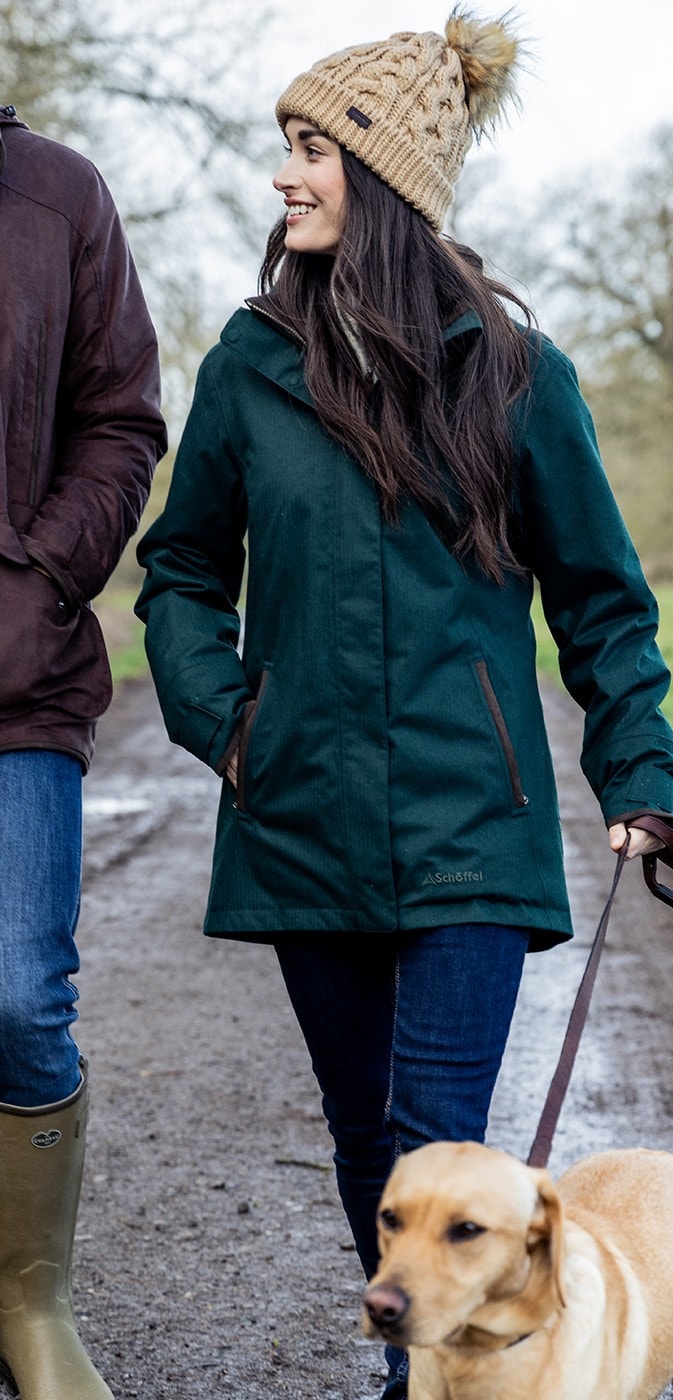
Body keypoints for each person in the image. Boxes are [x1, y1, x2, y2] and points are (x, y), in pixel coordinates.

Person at [134, 12, 673, 1397]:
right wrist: (230, 722)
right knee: (368, 1150)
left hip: (469, 824)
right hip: (300, 812)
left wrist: (637, 778)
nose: (285, 178)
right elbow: (184, 567)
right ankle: (437, 1366)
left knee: (439, 1132)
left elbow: (602, 596)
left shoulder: (513, 373)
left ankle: (426, 1385)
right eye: (286, 149)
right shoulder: (251, 366)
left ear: (385, 179)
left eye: (312, 150)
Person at [0, 107, 166, 1398]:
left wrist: (44, 570)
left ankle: (29, 1305)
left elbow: (121, 417)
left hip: (17, 680)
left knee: (17, 996)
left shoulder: (56, 194)